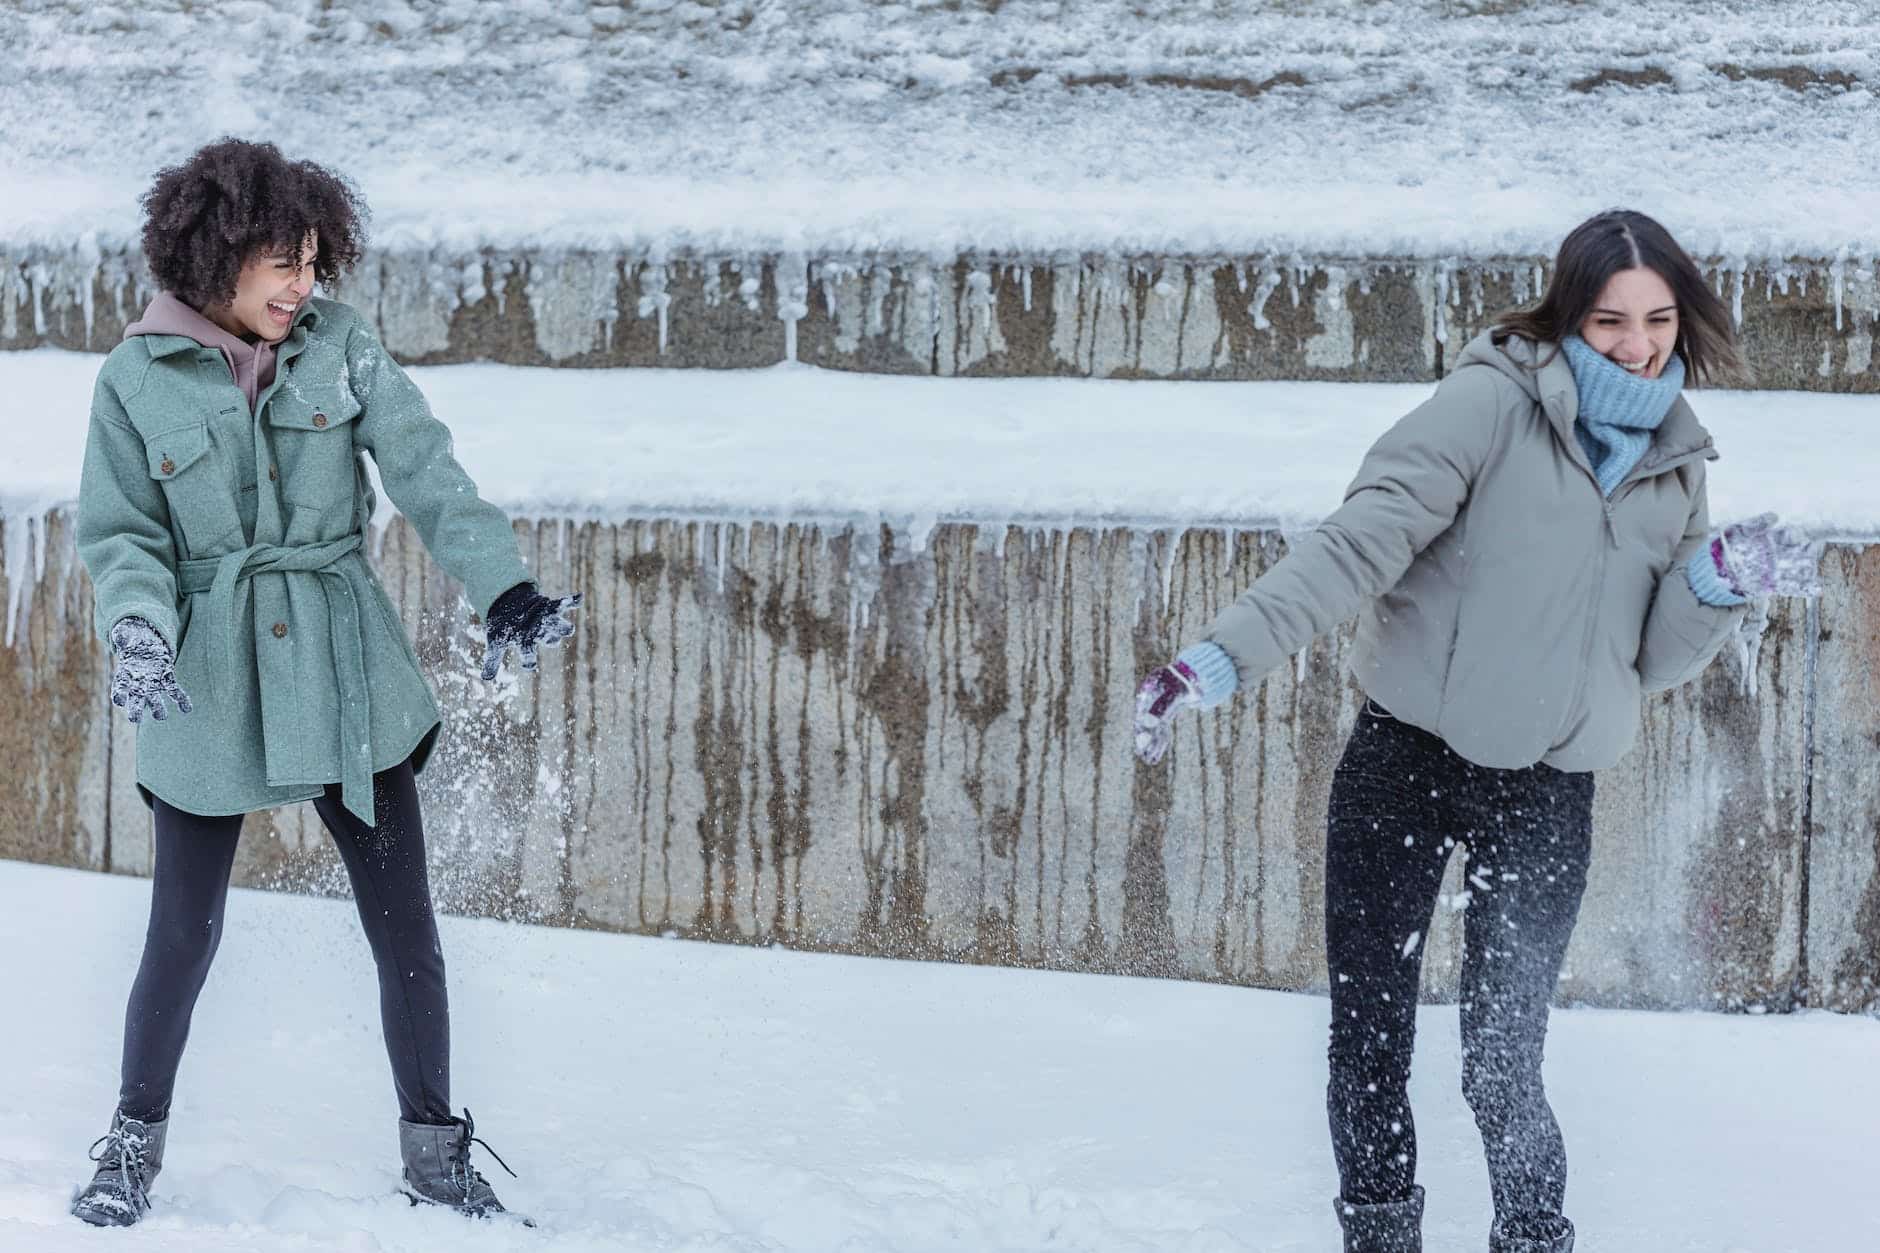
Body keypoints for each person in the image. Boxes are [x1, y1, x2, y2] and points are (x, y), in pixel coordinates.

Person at [1131, 209, 1823, 1253]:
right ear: (1564, 313)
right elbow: (1357, 541)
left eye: (1656, 318)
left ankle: (1533, 1237)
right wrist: (1221, 653)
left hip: (1547, 788)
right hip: (1405, 760)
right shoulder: (1485, 405)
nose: (1636, 343)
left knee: (1503, 1053)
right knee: (1369, 1035)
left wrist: (1713, 582)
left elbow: (1646, 659)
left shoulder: (1679, 463)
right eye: (1606, 319)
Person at [71, 138, 580, 1228]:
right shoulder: (133, 378)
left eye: (313, 263)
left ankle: (437, 1151)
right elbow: (122, 539)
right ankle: (130, 1140)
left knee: (405, 924)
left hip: (345, 664)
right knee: (181, 929)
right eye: (282, 265)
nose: (304, 287)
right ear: (216, 258)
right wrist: (141, 633)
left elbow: (427, 472)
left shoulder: (339, 348)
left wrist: (506, 590)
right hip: (207, 673)